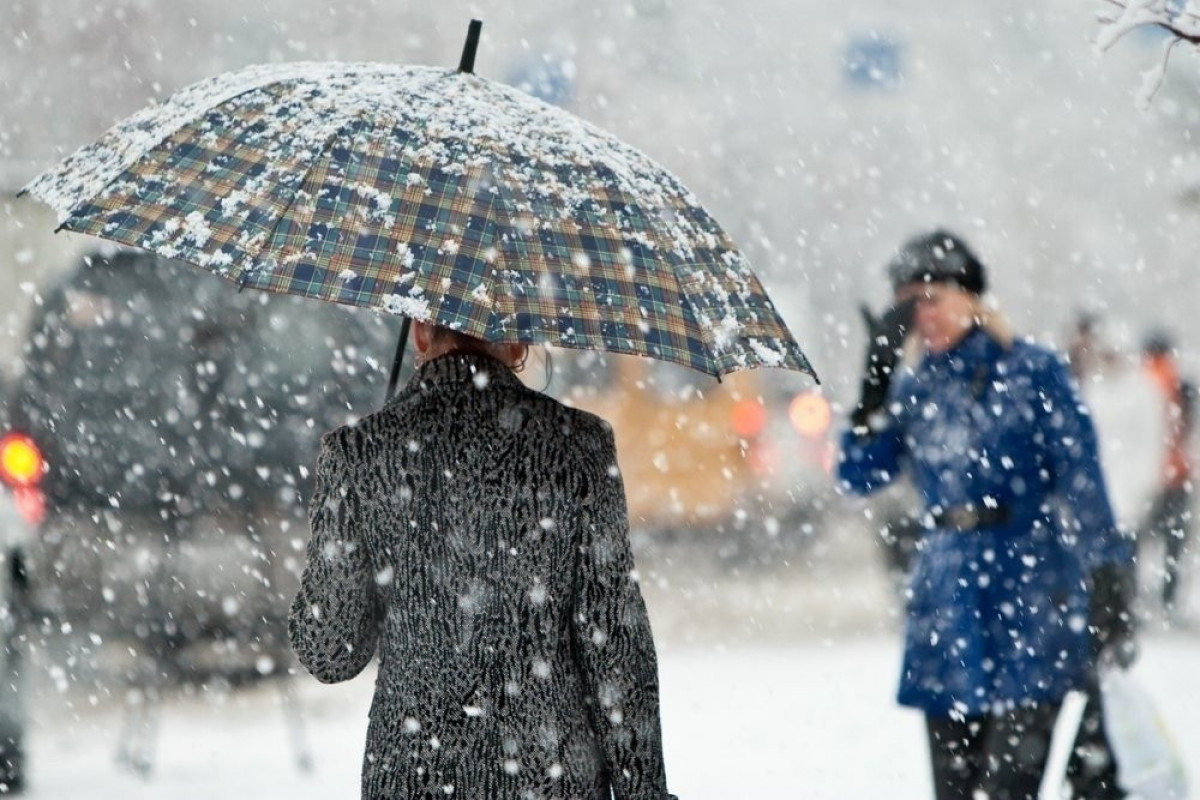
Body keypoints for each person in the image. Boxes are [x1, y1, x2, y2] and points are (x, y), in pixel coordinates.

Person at [289, 322, 675, 800]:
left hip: (414, 779)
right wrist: (645, 793)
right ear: (518, 344)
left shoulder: (357, 453)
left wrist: (357, 505)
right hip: (551, 777)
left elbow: (331, 652)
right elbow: (614, 643)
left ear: (421, 335)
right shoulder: (580, 447)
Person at [838, 230, 1136, 800]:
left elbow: (1082, 478)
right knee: (954, 789)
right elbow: (858, 475)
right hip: (947, 600)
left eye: (932, 296)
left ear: (971, 296)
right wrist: (872, 388)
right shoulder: (913, 386)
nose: (920, 314)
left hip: (1031, 591)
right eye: (906, 303)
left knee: (1009, 787)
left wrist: (1108, 572)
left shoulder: (1032, 370)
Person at [1140, 331, 1195, 619]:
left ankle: (1131, 600)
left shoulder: (1141, 381)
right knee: (1173, 546)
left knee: (1137, 541)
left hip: (1146, 479)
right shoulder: (1179, 383)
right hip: (1178, 475)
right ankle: (1168, 600)